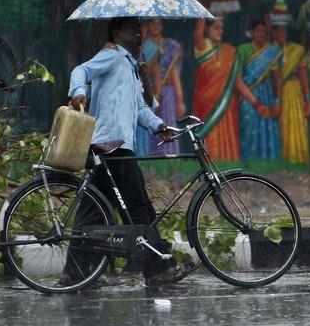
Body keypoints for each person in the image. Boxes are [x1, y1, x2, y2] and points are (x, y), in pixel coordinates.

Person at [67, 17, 186, 285]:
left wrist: (159, 126)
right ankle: (158, 269)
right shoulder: (111, 56)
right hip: (112, 146)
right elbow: (80, 70)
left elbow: (142, 109)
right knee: (139, 209)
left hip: (114, 148)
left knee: (94, 212)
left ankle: (76, 273)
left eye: (140, 28)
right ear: (117, 32)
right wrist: (77, 92)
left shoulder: (131, 67)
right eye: (133, 28)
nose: (139, 33)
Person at [270, 0, 310, 164]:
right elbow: (274, 77)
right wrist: (277, 99)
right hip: (280, 92)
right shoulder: (270, 52)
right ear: (273, 32)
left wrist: (308, 99)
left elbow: (303, 74)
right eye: (278, 31)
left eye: (284, 31)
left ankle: (299, 159)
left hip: (296, 91)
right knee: (283, 125)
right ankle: (285, 159)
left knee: (298, 123)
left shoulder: (297, 50)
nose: (282, 34)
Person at [192, 18, 241, 161]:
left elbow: (237, 81)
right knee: (209, 131)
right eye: (216, 27)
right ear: (207, 29)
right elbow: (197, 34)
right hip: (205, 101)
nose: (220, 31)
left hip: (225, 101)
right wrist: (203, 13)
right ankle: (209, 160)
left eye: (221, 28)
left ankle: (227, 160)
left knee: (225, 130)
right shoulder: (203, 46)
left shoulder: (230, 51)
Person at [236, 19, 282, 161]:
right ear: (251, 32)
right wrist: (255, 102)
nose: (261, 34)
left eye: (264, 31)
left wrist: (277, 101)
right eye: (258, 31)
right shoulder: (242, 50)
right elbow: (237, 80)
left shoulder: (272, 51)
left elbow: (277, 78)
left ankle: (268, 163)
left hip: (267, 93)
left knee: (268, 128)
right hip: (248, 95)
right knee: (249, 127)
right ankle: (248, 162)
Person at [140, 19, 186, 156]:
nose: (156, 26)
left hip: (166, 93)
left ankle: (170, 157)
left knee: (167, 124)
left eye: (158, 24)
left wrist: (180, 101)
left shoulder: (171, 46)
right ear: (146, 26)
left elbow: (174, 74)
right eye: (152, 23)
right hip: (144, 92)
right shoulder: (142, 46)